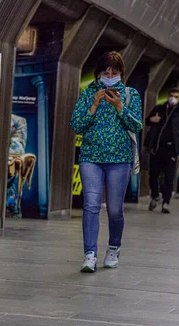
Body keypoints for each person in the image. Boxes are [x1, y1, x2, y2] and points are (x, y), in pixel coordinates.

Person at [70, 51, 142, 273]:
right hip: (91, 157)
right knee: (91, 205)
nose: (110, 76)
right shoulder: (88, 93)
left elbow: (137, 125)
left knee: (114, 209)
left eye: (114, 72)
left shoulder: (130, 95)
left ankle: (114, 247)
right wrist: (93, 106)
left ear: (121, 73)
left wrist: (120, 107)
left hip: (119, 159)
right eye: (105, 72)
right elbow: (76, 125)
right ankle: (89, 254)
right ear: (98, 73)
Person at [144, 88, 179, 214]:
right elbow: (147, 121)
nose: (173, 98)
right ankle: (155, 195)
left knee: (169, 177)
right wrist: (151, 120)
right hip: (157, 148)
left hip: (171, 150)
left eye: (176, 96)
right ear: (168, 96)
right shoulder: (159, 109)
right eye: (172, 95)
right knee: (153, 175)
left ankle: (166, 203)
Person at [6, 114, 28, 217]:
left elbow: (18, 149)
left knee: (13, 164)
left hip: (9, 159)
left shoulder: (18, 121)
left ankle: (12, 209)